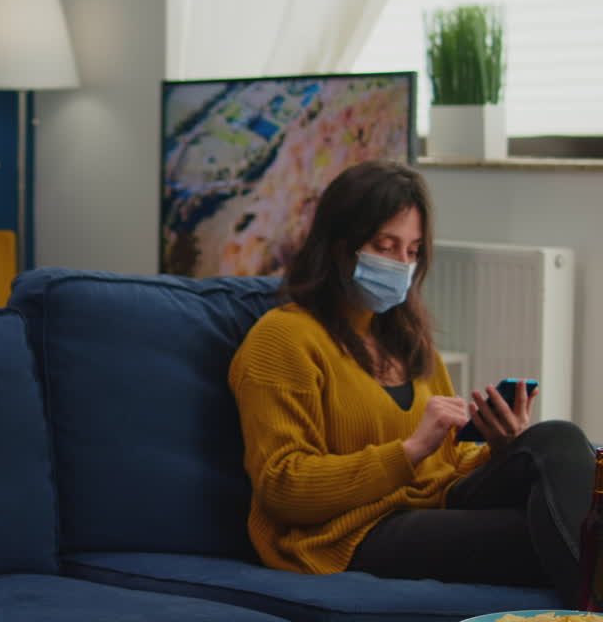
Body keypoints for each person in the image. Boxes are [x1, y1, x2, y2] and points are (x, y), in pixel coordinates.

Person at [228, 160, 594, 605]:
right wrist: (408, 451)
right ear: (340, 247)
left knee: (557, 440)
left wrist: (500, 447)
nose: (402, 264)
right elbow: (282, 488)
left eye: (413, 251)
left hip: (435, 499)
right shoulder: (283, 338)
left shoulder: (405, 338)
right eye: (386, 246)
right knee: (542, 534)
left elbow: (449, 459)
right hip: (351, 531)